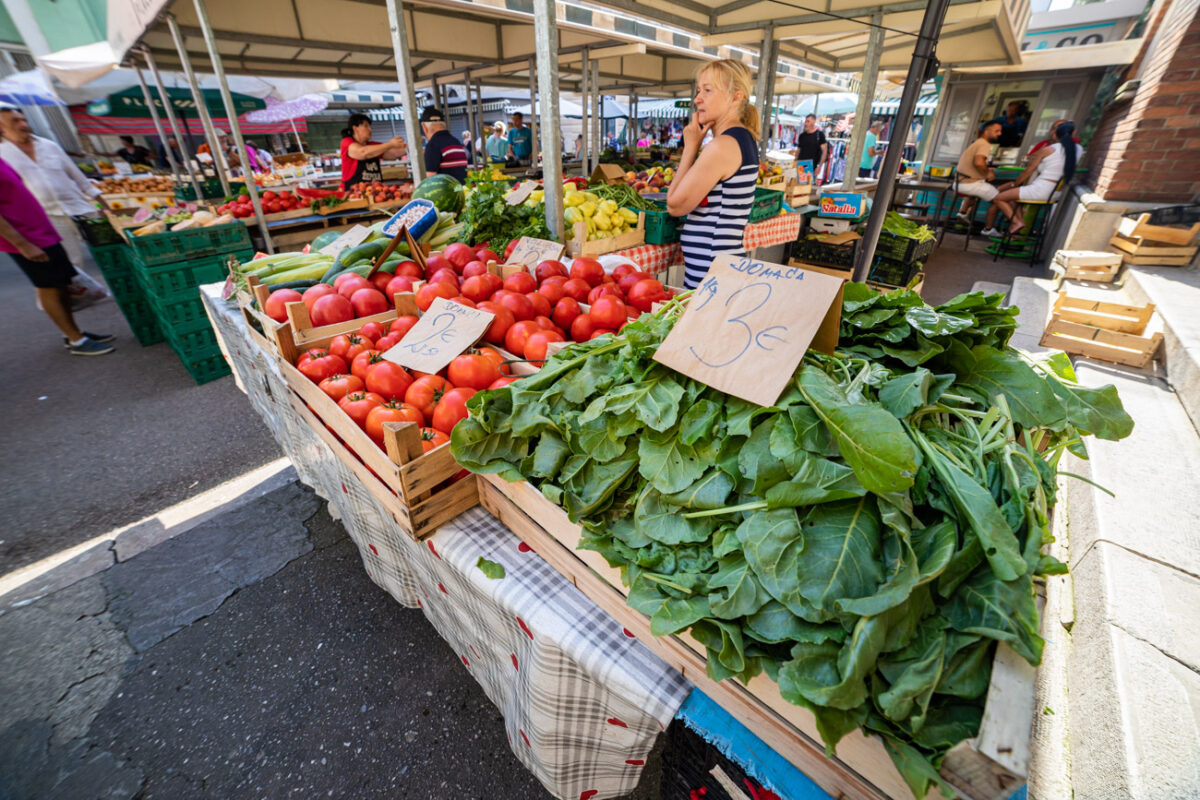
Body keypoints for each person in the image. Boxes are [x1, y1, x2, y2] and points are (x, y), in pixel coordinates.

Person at [0, 156, 113, 355]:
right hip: (26, 237)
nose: (22, 123)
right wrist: (22, 244)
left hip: (41, 231)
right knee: (47, 287)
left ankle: (73, 332)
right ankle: (76, 340)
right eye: (16, 121)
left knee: (61, 283)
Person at [666, 59, 760, 289]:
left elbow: (675, 205)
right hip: (719, 268)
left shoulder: (722, 146)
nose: (698, 98)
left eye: (707, 90)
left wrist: (690, 147)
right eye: (699, 90)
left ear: (736, 96)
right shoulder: (741, 138)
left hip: (713, 273)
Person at [0, 108, 109, 272]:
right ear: (2, 127)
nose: (23, 124)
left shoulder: (49, 146)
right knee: (72, 264)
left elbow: (79, 177)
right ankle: (79, 295)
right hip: (48, 216)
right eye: (15, 121)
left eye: (24, 119)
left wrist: (104, 206)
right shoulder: (3, 155)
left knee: (108, 250)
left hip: (80, 208)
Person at [982, 121, 1082, 238]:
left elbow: (1028, 171)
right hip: (1056, 193)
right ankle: (1015, 234)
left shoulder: (1049, 149)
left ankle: (1017, 222)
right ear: (1074, 133)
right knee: (1014, 200)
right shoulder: (1078, 149)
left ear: (1056, 134)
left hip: (1041, 189)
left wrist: (1015, 183)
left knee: (999, 198)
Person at [339, 113, 407, 190]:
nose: (370, 129)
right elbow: (363, 152)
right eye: (366, 126)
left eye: (369, 126)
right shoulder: (347, 142)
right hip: (353, 193)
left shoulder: (373, 145)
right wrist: (390, 144)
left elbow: (393, 154)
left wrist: (412, 147)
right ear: (355, 128)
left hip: (375, 192)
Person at [953, 120, 1002, 222]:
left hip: (960, 183)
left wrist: (987, 170)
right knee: (1001, 199)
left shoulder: (977, 142)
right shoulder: (985, 144)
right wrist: (988, 173)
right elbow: (979, 163)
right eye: (996, 131)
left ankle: (962, 213)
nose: (999, 134)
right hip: (969, 184)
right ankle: (989, 229)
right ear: (987, 131)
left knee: (976, 191)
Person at [420, 106, 469, 182]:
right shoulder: (456, 142)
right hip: (461, 191)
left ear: (424, 127)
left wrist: (410, 187)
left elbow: (430, 181)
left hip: (446, 193)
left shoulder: (433, 145)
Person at [793, 114, 828, 181]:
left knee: (807, 188)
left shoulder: (819, 135)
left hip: (812, 166)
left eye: (808, 121)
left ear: (814, 122)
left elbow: (824, 152)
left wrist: (819, 167)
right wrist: (795, 161)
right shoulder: (802, 136)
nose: (805, 124)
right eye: (805, 121)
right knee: (800, 187)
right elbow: (799, 150)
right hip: (801, 165)